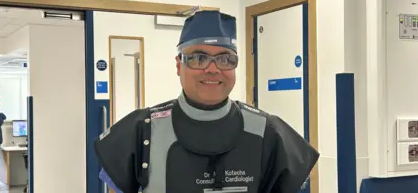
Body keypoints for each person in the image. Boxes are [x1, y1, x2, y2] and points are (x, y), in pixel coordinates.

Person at [94, 10, 319, 193]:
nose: (212, 69)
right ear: (178, 65)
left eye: (224, 58)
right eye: (198, 58)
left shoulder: (269, 132)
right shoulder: (140, 131)